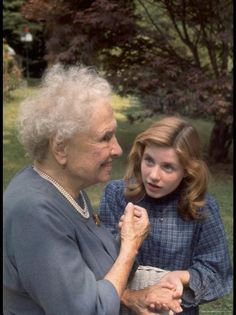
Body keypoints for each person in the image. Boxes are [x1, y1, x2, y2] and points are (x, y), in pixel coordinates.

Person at [3, 64, 183, 315]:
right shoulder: (34, 213)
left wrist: (129, 296)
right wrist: (130, 247)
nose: (118, 149)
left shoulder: (68, 189)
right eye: (104, 137)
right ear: (61, 148)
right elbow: (87, 310)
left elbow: (87, 276)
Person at [99, 116, 233, 315]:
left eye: (168, 167)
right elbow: (98, 261)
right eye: (149, 161)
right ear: (140, 156)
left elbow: (217, 272)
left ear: (187, 170)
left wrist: (182, 277)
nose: (154, 175)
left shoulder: (201, 208)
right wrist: (124, 239)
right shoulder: (118, 195)